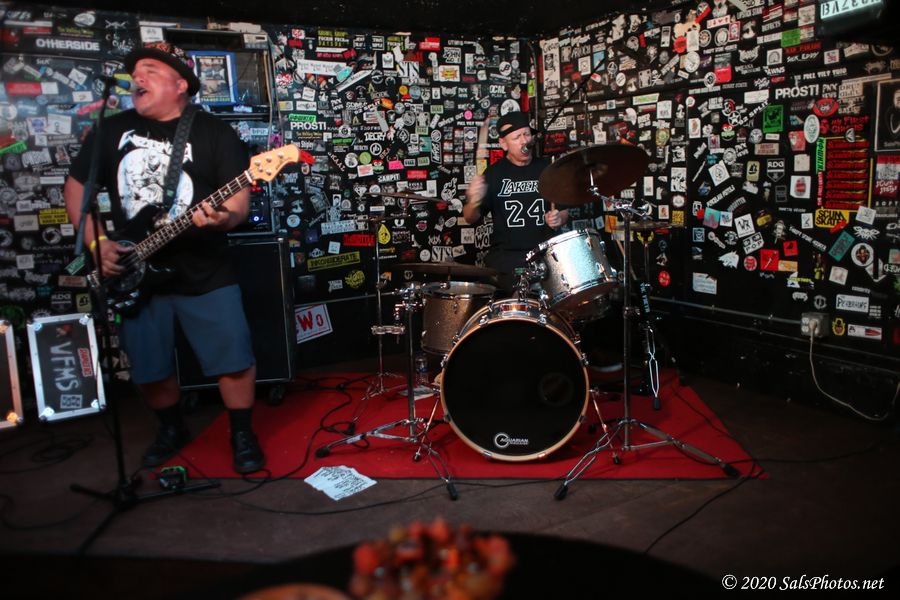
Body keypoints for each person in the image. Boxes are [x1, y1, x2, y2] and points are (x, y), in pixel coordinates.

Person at [63, 42, 265, 474]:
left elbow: (238, 206)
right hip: (134, 268)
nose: (138, 76)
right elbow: (77, 188)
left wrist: (221, 219)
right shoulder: (111, 130)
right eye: (136, 70)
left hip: (205, 269)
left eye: (151, 69)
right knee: (149, 365)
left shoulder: (214, 133)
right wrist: (98, 245)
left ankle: (242, 433)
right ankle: (171, 429)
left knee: (233, 358)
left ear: (180, 84)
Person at [463, 111, 569, 293]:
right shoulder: (493, 174)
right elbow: (469, 218)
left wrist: (559, 218)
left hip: (546, 254)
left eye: (526, 134)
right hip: (507, 258)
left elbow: (564, 211)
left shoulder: (548, 169)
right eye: (516, 137)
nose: (524, 141)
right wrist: (473, 201)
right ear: (503, 144)